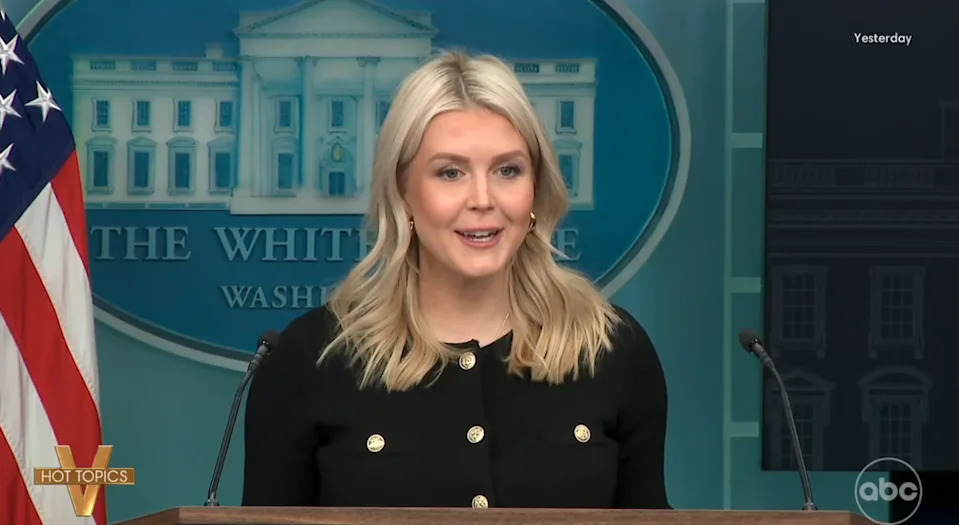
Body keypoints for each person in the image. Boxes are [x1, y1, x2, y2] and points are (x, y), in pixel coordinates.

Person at [241, 50, 671, 510]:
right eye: (451, 173)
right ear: (403, 193)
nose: (482, 199)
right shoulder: (312, 357)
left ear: (535, 190)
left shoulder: (610, 348)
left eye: (508, 170)